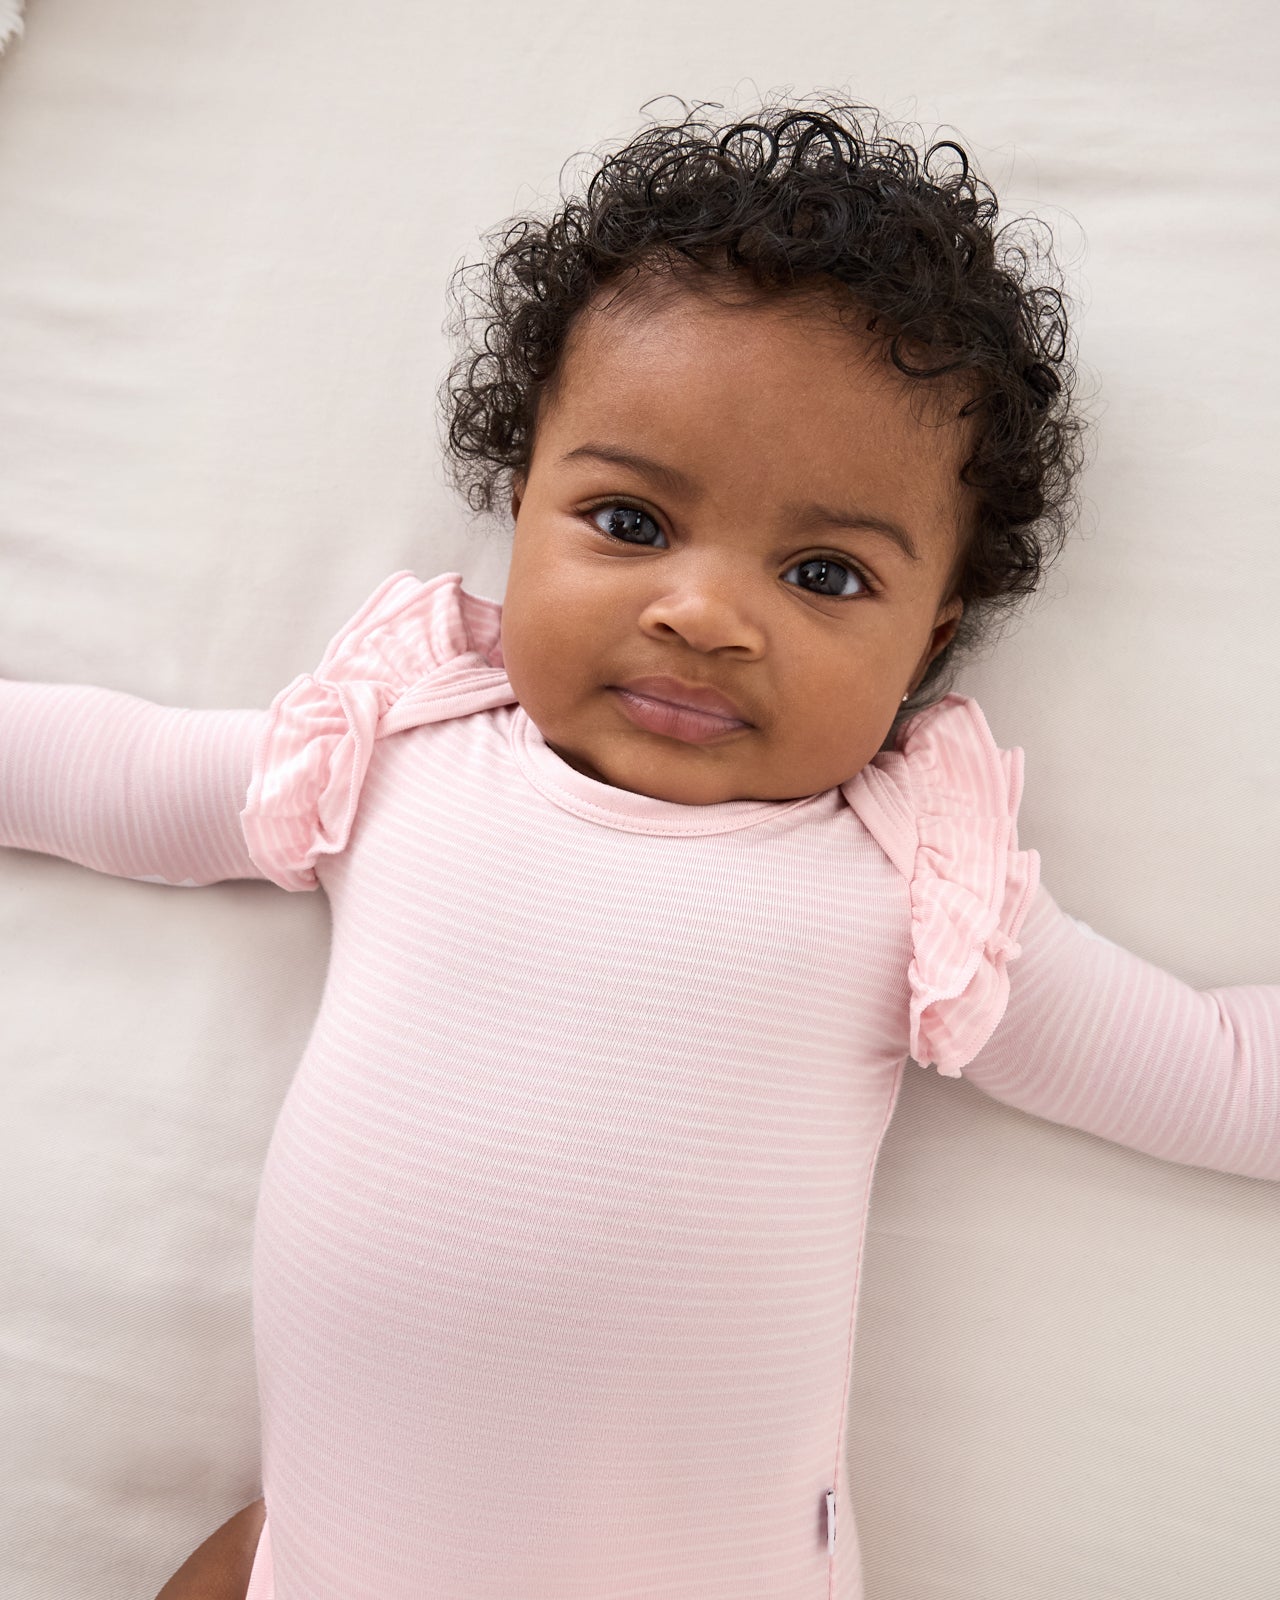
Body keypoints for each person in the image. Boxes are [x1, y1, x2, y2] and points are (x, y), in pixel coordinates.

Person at [2, 98, 1277, 1600]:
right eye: (625, 518)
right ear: (518, 510)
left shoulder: (911, 898)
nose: (705, 613)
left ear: (930, 638)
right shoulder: (390, 753)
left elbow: (1214, 1072)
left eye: (822, 573)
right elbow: (104, 773)